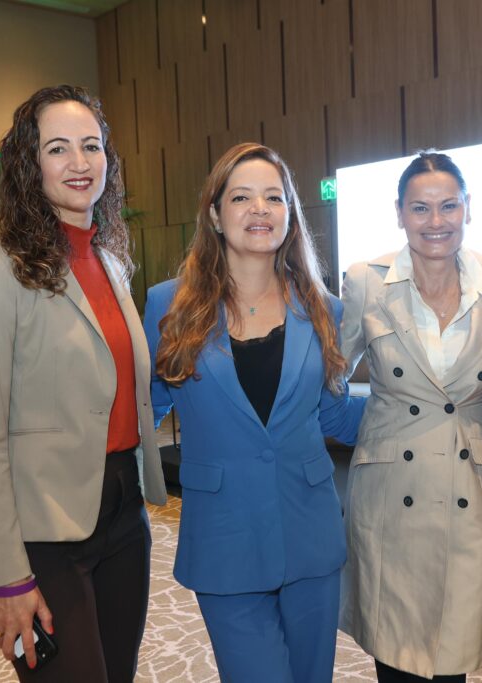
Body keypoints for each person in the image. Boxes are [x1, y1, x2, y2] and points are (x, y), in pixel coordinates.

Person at [0, 84, 167, 682]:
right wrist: (5, 575)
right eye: (58, 148)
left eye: (91, 147)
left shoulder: (111, 262)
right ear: (28, 163)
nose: (79, 163)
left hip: (124, 515)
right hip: (42, 532)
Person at [143, 142, 365, 683]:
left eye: (273, 197)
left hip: (310, 534)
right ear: (215, 215)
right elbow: (144, 409)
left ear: (290, 215)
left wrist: (429, 415)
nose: (259, 209)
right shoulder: (169, 306)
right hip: (223, 540)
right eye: (242, 197)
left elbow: (334, 416)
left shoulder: (323, 309)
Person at [339, 151, 482, 682]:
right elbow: (327, 376)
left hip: (471, 487)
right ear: (399, 212)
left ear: (467, 208)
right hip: (393, 489)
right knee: (397, 656)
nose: (435, 222)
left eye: (448, 206)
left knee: (453, 657)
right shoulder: (366, 281)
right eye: (420, 208)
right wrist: (373, 431)